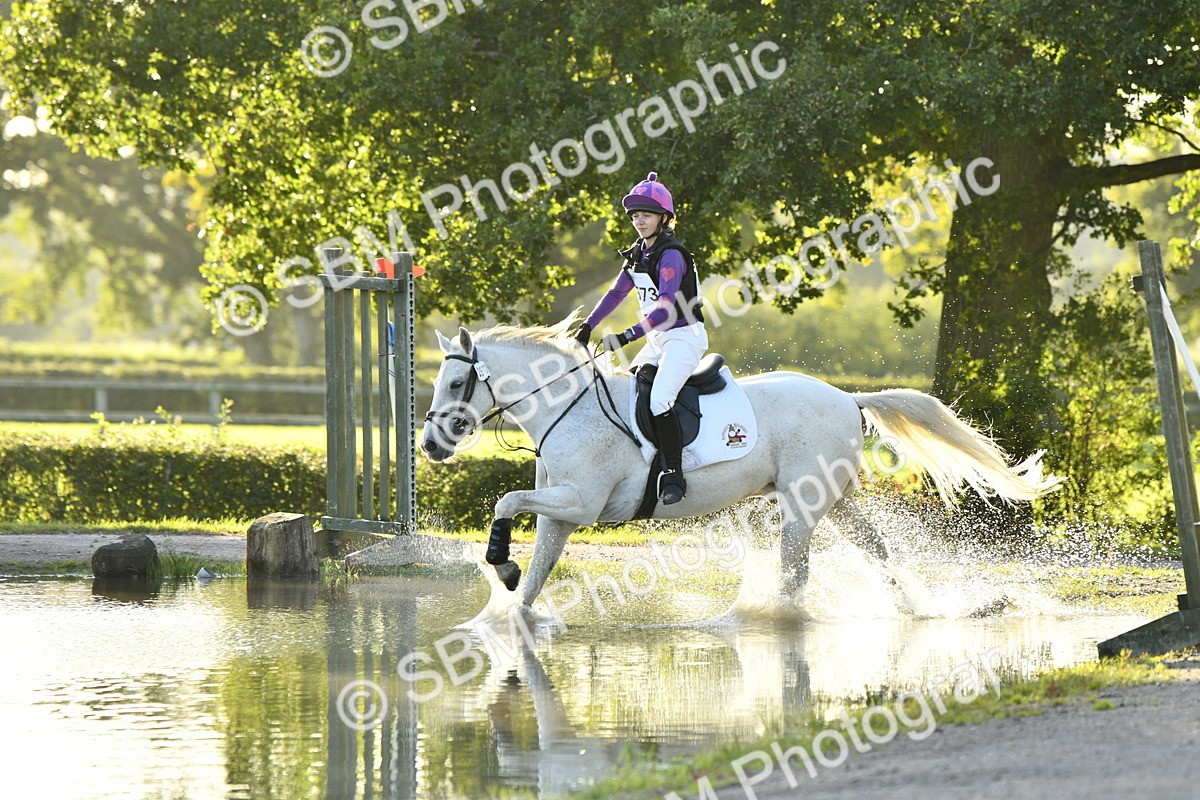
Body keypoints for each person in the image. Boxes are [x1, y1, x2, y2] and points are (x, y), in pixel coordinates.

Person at [573, 172, 708, 505]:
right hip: (658, 340)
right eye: (634, 216)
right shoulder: (637, 253)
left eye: (645, 215)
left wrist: (626, 335)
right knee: (632, 392)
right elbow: (617, 292)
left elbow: (664, 310)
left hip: (682, 338)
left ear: (663, 218)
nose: (638, 221)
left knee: (660, 400)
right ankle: (641, 462)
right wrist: (588, 325)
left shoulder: (671, 255)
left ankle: (675, 474)